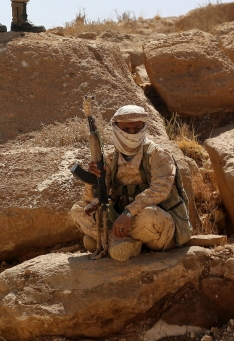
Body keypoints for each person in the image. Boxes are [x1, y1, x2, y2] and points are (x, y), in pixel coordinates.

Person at [70, 105, 192, 262]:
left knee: (149, 215)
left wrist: (128, 213)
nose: (132, 133)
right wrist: (94, 180)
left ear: (144, 127)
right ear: (116, 128)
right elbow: (94, 199)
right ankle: (124, 243)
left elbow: (159, 190)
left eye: (136, 128)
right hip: (122, 221)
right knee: (78, 210)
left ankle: (110, 240)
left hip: (156, 223)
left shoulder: (158, 155)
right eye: (127, 128)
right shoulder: (110, 159)